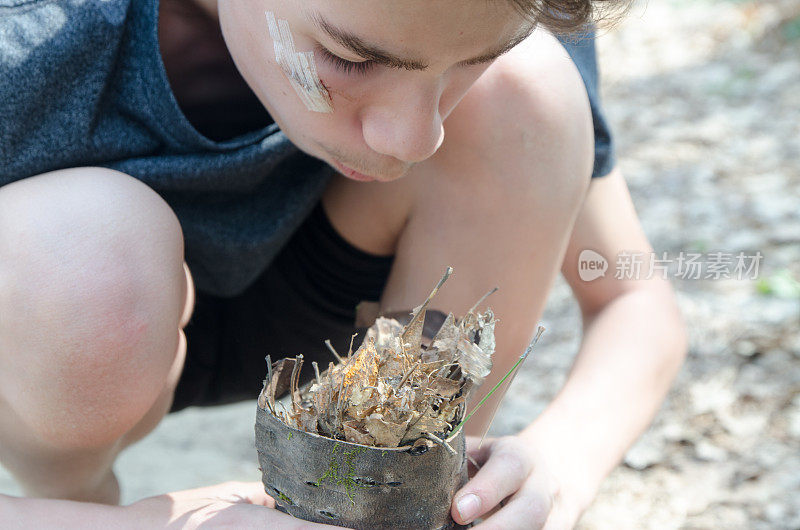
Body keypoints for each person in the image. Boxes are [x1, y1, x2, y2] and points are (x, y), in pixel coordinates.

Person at [0, 0, 687, 527]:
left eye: (472, 59)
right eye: (350, 60)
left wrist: (558, 459)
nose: (416, 138)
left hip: (330, 299)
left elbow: (631, 299)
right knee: (82, 259)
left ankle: (396, 490)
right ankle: (76, 488)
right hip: (63, 320)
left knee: (529, 91)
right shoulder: (30, 42)